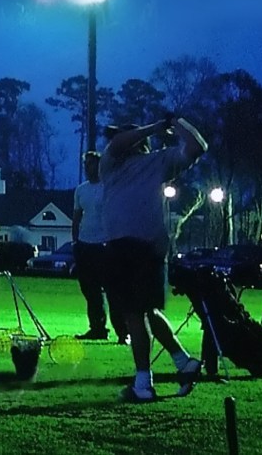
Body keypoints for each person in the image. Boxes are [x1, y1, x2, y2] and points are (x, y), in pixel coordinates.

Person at [100, 116, 208, 403]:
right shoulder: (112, 163)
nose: (115, 143)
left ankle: (143, 385)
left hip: (129, 247)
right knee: (147, 311)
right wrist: (163, 125)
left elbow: (198, 146)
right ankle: (183, 361)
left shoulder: (153, 161)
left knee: (133, 315)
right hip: (147, 247)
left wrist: (174, 122)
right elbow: (121, 142)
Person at [72, 151, 128, 344]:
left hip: (106, 245)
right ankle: (97, 328)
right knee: (90, 291)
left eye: (91, 164)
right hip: (85, 245)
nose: (88, 168)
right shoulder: (81, 190)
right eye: (85, 164)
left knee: (114, 291)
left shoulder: (109, 187)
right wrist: (75, 242)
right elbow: (77, 216)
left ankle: (123, 331)